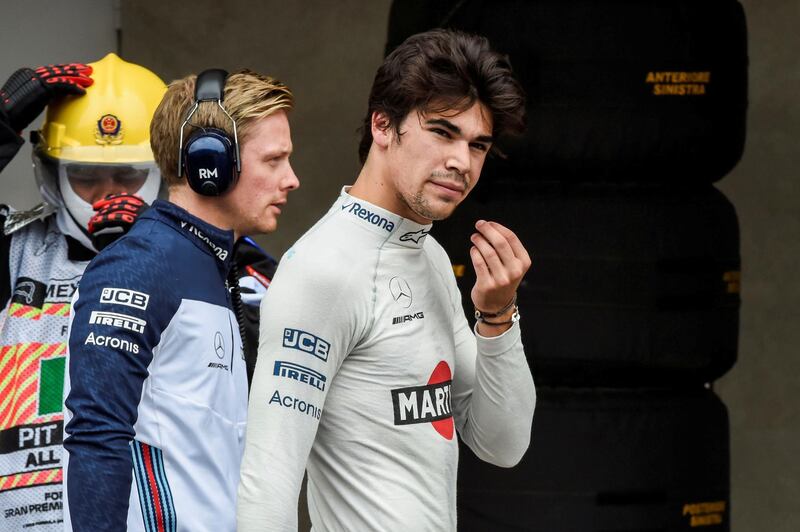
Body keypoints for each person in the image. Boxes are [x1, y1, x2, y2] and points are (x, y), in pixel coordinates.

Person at [238, 28, 536, 531]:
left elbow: (502, 444)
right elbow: (268, 478)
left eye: (478, 145)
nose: (461, 162)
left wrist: (498, 315)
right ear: (382, 125)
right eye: (442, 132)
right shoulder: (323, 270)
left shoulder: (432, 258)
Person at [63, 68, 298, 532]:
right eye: (274, 160)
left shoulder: (217, 264)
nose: (291, 179)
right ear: (209, 164)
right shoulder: (140, 266)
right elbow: (96, 437)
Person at [0, 54, 165, 531]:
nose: (106, 193)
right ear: (53, 171)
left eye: (129, 176)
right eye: (86, 177)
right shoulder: (14, 249)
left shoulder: (203, 256)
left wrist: (143, 258)